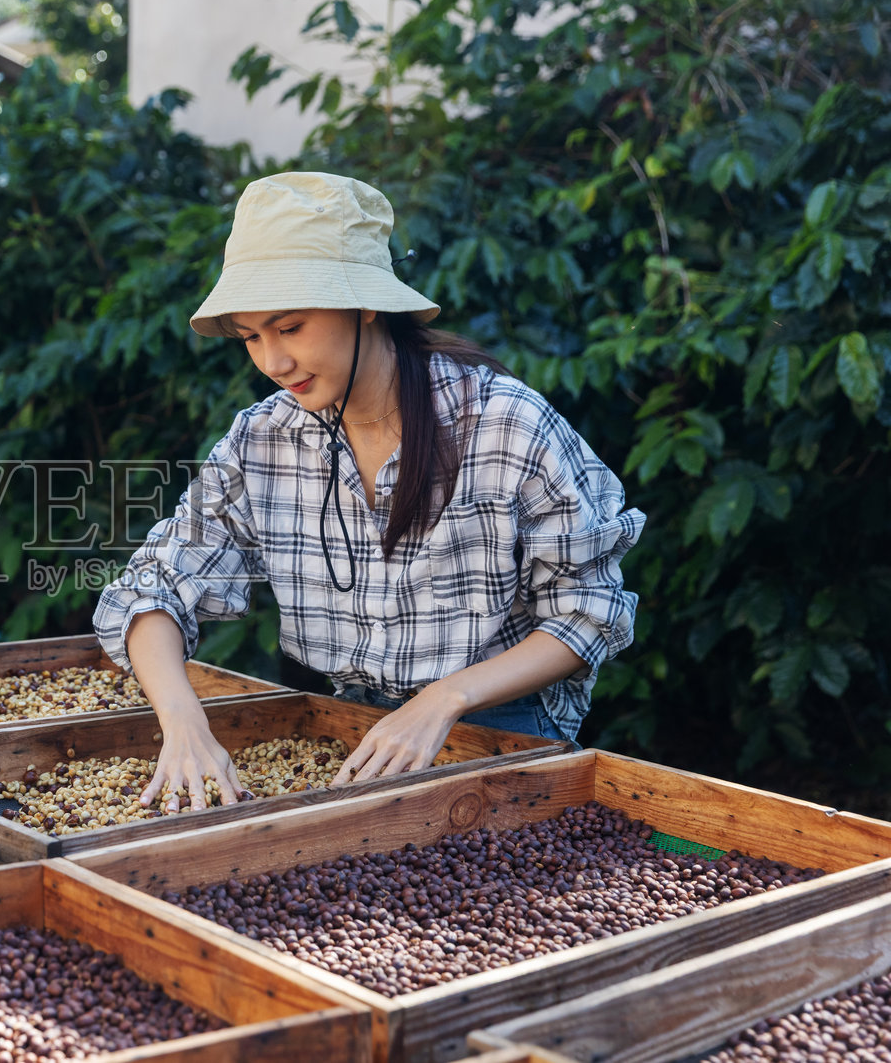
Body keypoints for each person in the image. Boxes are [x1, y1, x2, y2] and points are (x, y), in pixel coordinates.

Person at [92, 171, 645, 814]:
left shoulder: (504, 424)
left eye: (290, 326)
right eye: (250, 336)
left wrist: (445, 698)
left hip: (502, 731)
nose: (272, 361)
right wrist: (183, 722)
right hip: (342, 735)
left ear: (366, 304)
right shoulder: (263, 440)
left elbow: (589, 613)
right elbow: (153, 587)